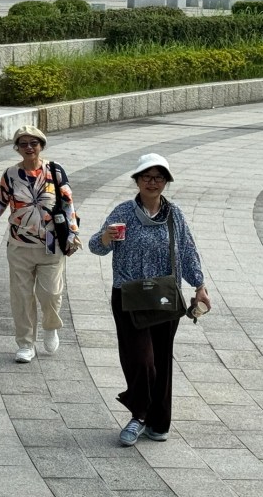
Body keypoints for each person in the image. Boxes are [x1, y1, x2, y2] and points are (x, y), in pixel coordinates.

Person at [89, 153, 210, 447]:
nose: (152, 182)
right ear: (137, 180)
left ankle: (158, 421)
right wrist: (106, 237)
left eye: (158, 177)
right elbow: (96, 247)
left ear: (166, 182)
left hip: (164, 295)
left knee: (161, 361)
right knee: (140, 360)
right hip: (128, 295)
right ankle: (139, 415)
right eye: (146, 177)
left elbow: (187, 251)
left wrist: (200, 285)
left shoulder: (174, 215)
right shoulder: (123, 212)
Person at [0, 126, 80, 363]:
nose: (28, 148)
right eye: (23, 144)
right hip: (19, 246)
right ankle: (25, 343)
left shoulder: (55, 171)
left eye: (33, 143)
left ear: (41, 146)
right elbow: (0, 202)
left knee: (51, 294)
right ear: (17, 148)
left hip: (51, 244)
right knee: (22, 297)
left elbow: (68, 204)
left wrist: (73, 232)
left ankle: (50, 326)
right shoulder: (11, 174)